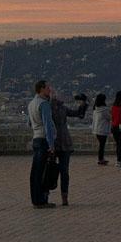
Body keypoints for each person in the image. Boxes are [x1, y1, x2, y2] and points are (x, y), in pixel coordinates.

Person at [49, 89, 89, 206]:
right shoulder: (51, 108)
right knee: (55, 170)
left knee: (63, 171)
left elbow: (77, 114)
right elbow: (78, 114)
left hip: (63, 143)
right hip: (57, 142)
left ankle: (63, 196)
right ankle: (54, 194)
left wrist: (83, 105)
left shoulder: (62, 108)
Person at [26, 79, 57, 208]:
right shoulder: (43, 104)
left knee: (36, 171)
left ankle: (36, 198)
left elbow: (29, 123)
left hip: (36, 138)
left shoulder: (31, 104)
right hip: (43, 139)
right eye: (48, 88)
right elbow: (48, 125)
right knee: (42, 172)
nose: (50, 90)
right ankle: (40, 200)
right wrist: (51, 145)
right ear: (42, 89)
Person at [91, 93, 112, 165]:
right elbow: (109, 118)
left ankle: (101, 158)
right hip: (103, 129)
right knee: (102, 145)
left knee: (101, 145)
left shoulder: (95, 109)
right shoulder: (104, 109)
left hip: (96, 129)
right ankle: (101, 159)